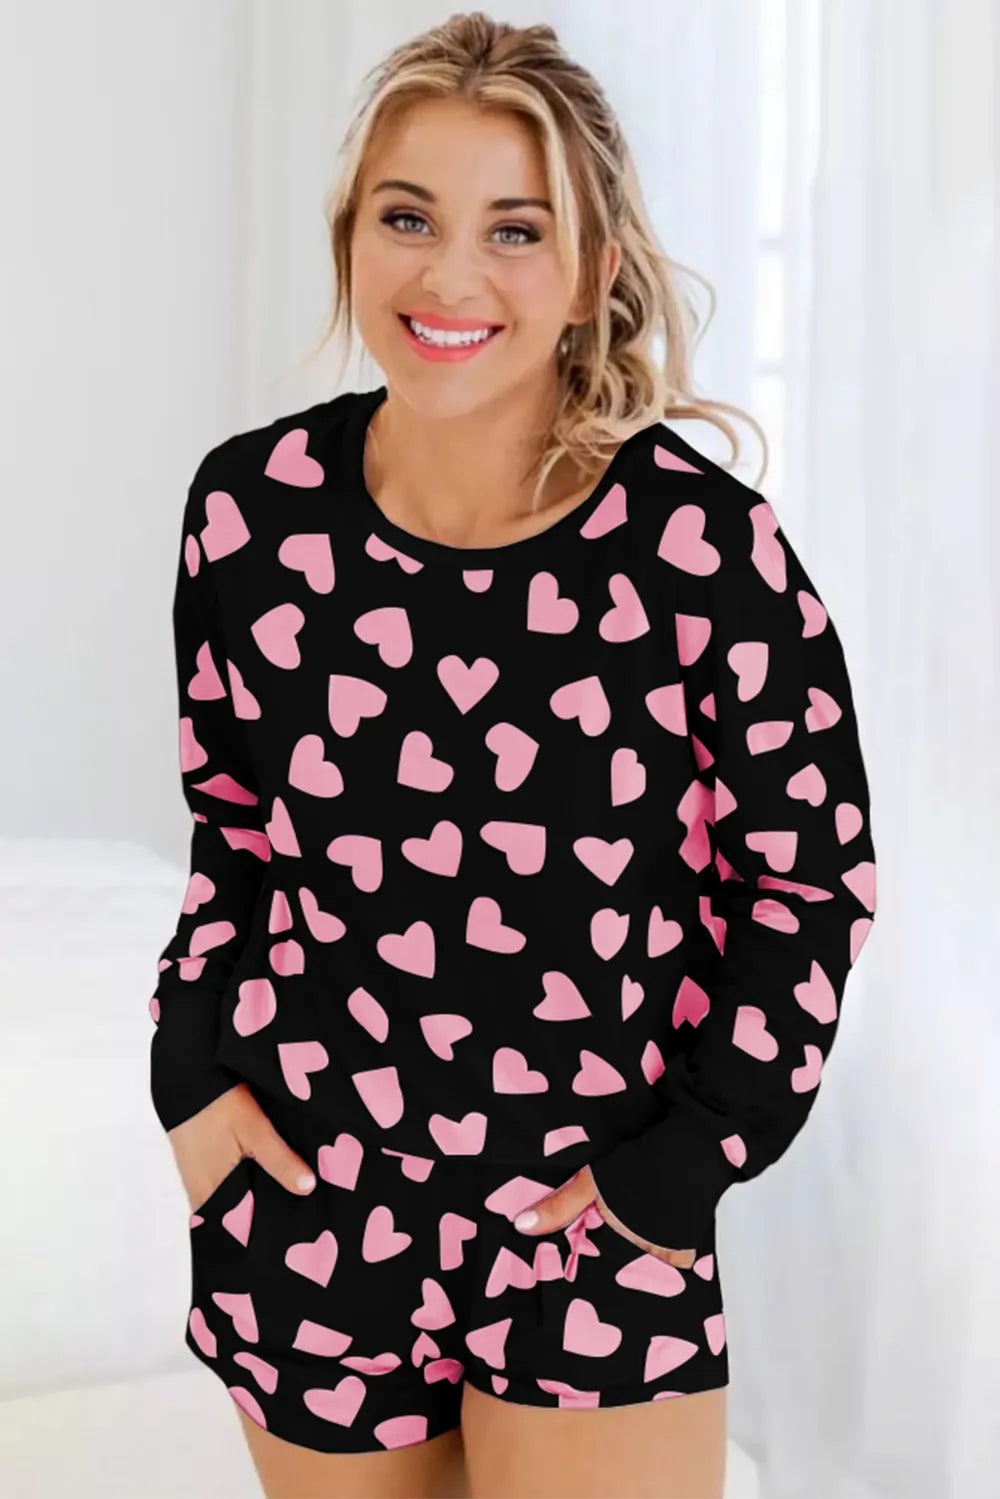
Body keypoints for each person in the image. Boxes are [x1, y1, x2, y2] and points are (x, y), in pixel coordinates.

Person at [148, 13, 877, 1499]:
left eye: (516, 229)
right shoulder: (251, 514)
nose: (449, 277)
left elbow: (811, 889)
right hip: (308, 1205)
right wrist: (190, 1067)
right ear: (352, 235)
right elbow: (235, 830)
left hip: (593, 1225)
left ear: (594, 272)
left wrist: (687, 1161)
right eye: (409, 218)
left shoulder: (700, 551)